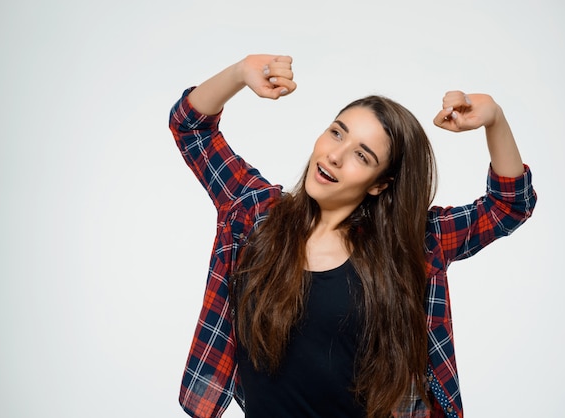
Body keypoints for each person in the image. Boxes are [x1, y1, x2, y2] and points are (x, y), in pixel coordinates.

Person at [168, 54, 536, 418]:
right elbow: (190, 127)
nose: (334, 156)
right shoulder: (256, 215)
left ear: (380, 184)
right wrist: (239, 72)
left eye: (362, 155)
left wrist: (495, 120)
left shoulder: (410, 244)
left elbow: (509, 207)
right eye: (336, 133)